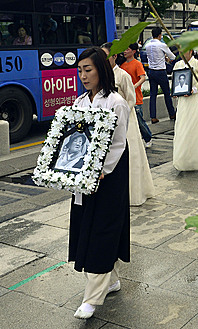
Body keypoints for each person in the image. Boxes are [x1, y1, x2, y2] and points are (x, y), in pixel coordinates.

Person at [70, 47, 130, 319]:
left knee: (102, 230)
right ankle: (112, 279)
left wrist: (101, 170)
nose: (83, 75)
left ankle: (92, 298)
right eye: (80, 70)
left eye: (88, 70)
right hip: (84, 177)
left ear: (101, 70)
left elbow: (118, 143)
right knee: (87, 225)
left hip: (109, 176)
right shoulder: (80, 102)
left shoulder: (115, 102)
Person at [101, 42, 154, 206]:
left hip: (125, 121)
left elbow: (130, 99)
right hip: (107, 122)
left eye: (105, 55)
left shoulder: (122, 75)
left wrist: (120, 114)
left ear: (114, 56)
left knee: (131, 156)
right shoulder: (102, 75)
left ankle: (134, 193)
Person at [120, 43, 153, 148]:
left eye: (127, 49)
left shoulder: (137, 64)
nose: (125, 51)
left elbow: (142, 77)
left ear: (133, 51)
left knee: (139, 121)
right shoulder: (122, 65)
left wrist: (133, 86)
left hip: (136, 98)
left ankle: (148, 137)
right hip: (124, 98)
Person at [145, 27, 176, 121]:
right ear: (159, 35)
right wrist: (166, 57)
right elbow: (173, 57)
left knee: (153, 94)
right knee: (167, 93)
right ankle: (171, 113)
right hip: (160, 71)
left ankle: (153, 116)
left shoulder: (147, 45)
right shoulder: (162, 45)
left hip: (151, 71)